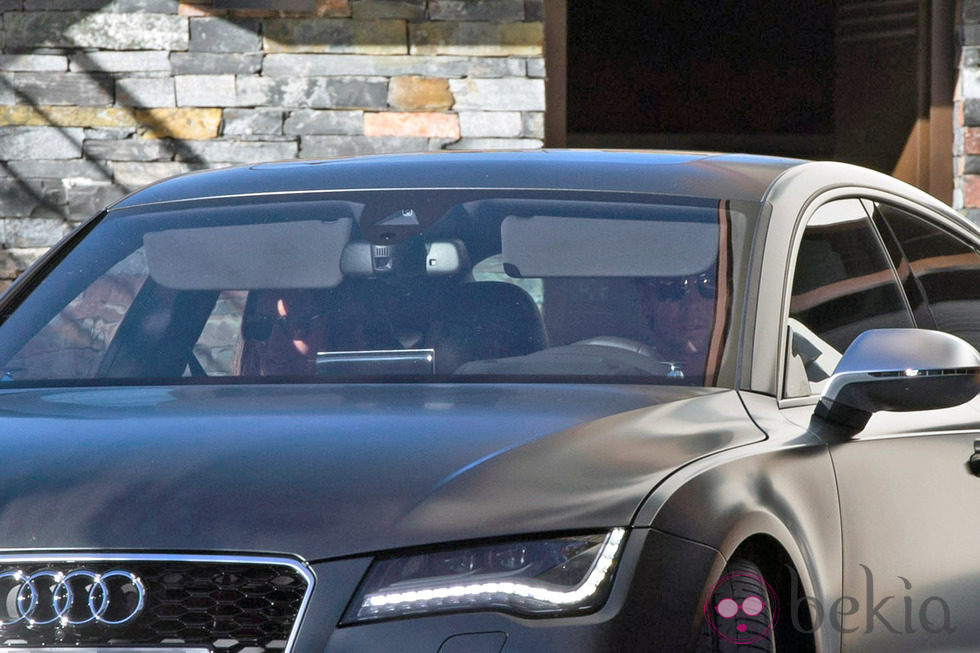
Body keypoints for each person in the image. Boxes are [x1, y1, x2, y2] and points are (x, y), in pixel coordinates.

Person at [634, 268, 718, 379]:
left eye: (709, 285)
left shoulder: (747, 378)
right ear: (645, 302)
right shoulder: (621, 384)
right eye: (671, 287)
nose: (692, 304)